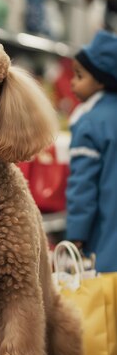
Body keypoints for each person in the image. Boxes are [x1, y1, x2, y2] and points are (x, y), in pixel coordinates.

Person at [66, 29, 117, 272]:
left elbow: (83, 185)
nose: (72, 83)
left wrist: (77, 234)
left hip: (107, 239)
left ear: (100, 80)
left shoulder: (89, 121)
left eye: (79, 75)